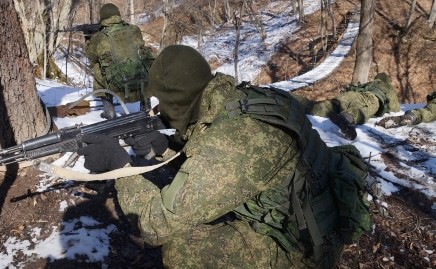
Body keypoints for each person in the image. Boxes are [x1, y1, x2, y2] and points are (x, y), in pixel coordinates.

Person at [77, 45, 371, 268]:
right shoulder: (242, 100)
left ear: (179, 98)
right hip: (311, 212)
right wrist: (163, 148)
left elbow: (155, 226)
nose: (160, 110)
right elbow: (218, 162)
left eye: (163, 101)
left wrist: (118, 166)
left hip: (305, 247)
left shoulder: (235, 141)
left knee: (182, 250)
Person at [86, 3, 155, 119]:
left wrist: (88, 41)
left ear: (102, 17)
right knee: (142, 60)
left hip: (116, 83)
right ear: (118, 14)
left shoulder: (98, 38)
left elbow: (92, 59)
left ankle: (109, 111)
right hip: (140, 78)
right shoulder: (134, 29)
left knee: (98, 67)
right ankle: (146, 106)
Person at [293, 73, 400, 140]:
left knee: (320, 107)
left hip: (349, 95)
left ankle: (290, 98)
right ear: (387, 81)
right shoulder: (387, 87)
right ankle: (345, 118)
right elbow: (395, 108)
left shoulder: (369, 84)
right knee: (360, 110)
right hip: (369, 99)